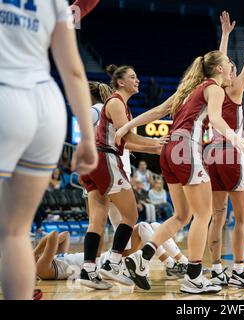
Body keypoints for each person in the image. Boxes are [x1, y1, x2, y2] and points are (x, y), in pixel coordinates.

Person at [115, 50, 244, 294]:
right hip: (187, 149)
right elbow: (216, 118)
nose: (232, 69)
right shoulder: (214, 88)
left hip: (169, 151)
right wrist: (233, 136)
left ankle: (142, 257)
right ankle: (194, 277)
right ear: (218, 69)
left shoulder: (189, 90)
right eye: (229, 65)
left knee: (182, 215)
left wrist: (126, 128)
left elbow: (157, 111)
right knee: (203, 214)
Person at [0, 0, 99, 300]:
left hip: (6, 94)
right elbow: (73, 70)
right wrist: (87, 138)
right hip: (47, 104)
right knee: (14, 232)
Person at [78, 65, 165, 289]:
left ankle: (88, 271)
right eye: (132, 77)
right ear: (120, 82)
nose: (137, 80)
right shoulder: (116, 102)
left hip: (94, 162)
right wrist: (155, 144)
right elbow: (123, 139)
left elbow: (129, 140)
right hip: (105, 159)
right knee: (131, 214)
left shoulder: (119, 104)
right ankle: (113, 262)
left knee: (96, 219)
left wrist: (154, 148)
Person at [206, 7, 244, 289]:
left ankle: (216, 269)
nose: (235, 67)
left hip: (210, 155)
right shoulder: (235, 88)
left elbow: (218, 61)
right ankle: (238, 271)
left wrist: (226, 35)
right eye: (231, 66)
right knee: (241, 218)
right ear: (228, 72)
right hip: (231, 154)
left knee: (216, 217)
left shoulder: (212, 88)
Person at [34, 222, 189, 281]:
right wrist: (34, 251)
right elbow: (53, 236)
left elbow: (64, 236)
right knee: (142, 227)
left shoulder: (50, 262)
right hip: (105, 266)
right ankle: (170, 265)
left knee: (155, 226)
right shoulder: (41, 269)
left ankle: (184, 263)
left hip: (104, 259)